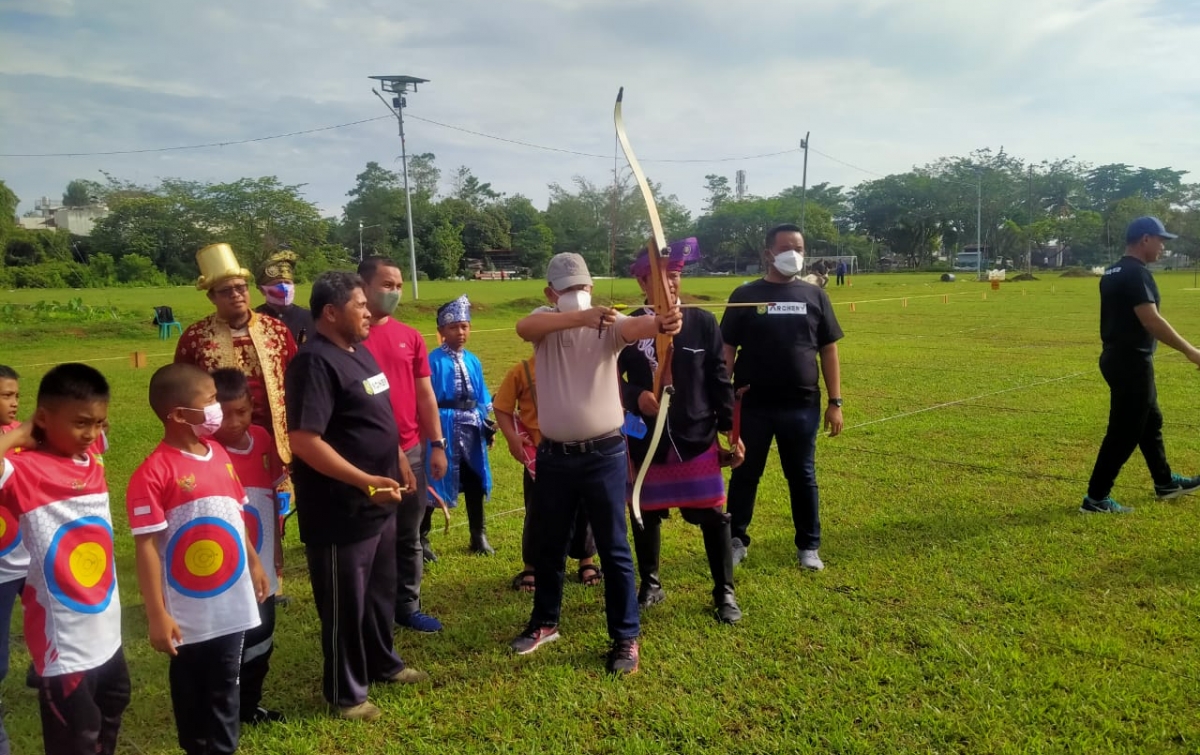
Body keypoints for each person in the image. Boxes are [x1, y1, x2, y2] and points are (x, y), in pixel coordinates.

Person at [509, 252, 681, 676]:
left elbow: (636, 326)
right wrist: (579, 318)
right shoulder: (544, 323)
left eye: (584, 287)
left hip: (603, 454)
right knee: (548, 544)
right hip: (554, 456)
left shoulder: (608, 325)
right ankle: (545, 622)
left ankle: (626, 637)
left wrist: (662, 322)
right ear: (551, 294)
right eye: (569, 289)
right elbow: (523, 327)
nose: (579, 295)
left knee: (614, 547)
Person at [285, 271, 426, 722]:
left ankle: (382, 662)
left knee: (379, 593)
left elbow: (377, 417)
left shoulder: (358, 353)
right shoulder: (315, 362)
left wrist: (399, 462)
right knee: (345, 603)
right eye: (359, 305)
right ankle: (344, 695)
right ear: (330, 312)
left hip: (381, 501)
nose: (370, 311)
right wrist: (363, 479)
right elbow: (305, 440)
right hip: (340, 509)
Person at [127, 363, 269, 755]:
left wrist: (254, 562)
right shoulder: (153, 473)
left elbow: (235, 513)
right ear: (177, 415)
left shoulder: (219, 453)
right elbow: (147, 548)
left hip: (233, 604)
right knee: (192, 694)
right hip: (189, 614)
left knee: (227, 685)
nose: (217, 411)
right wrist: (157, 614)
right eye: (209, 402)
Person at [0, 364, 130, 755]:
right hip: (65, 643)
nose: (91, 434)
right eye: (81, 423)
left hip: (107, 628)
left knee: (113, 704)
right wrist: (21, 434)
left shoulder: (90, 460)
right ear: (42, 417)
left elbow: (93, 436)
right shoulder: (22, 470)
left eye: (99, 423)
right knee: (79, 734)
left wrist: (82, 430)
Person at [619, 240, 745, 624]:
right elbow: (606, 378)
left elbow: (719, 379)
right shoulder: (628, 326)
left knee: (713, 515)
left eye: (674, 275)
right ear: (642, 283)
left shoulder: (704, 322)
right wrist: (636, 395)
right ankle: (651, 583)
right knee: (645, 514)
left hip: (696, 436)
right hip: (646, 439)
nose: (670, 284)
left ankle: (724, 591)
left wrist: (728, 429)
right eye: (659, 277)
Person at [721, 223, 844, 571]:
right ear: (768, 253)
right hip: (752, 405)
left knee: (802, 476)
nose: (795, 254)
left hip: (801, 405)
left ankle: (809, 546)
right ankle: (735, 540)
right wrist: (722, 400)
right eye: (787, 247)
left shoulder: (815, 296)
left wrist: (836, 403)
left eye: (800, 248)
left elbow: (829, 351)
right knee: (745, 473)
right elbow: (727, 350)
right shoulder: (745, 294)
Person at [1082, 216, 1200, 513]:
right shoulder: (1136, 274)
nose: (1163, 247)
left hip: (1116, 358)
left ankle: (1165, 483)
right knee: (1124, 432)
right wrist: (1190, 351)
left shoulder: (1112, 271)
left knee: (1150, 422)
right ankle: (1095, 499)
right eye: (1161, 240)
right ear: (1145, 239)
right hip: (1131, 362)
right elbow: (1151, 320)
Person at [358, 256, 447, 634]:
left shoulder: (409, 336)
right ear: (362, 286)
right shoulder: (349, 338)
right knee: (369, 538)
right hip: (363, 455)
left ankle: (408, 604)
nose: (394, 292)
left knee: (408, 535)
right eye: (386, 284)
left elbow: (425, 394)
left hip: (411, 449)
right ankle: (367, 609)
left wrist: (437, 444)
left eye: (398, 285)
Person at [175, 242, 297, 466]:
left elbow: (297, 382)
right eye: (226, 291)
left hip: (277, 438)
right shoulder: (195, 338)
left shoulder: (277, 330)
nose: (236, 295)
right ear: (211, 297)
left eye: (241, 288)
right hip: (219, 440)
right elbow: (182, 395)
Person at [211, 368, 286, 725]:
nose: (234, 422)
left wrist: (276, 553)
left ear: (253, 407)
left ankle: (249, 705)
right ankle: (224, 710)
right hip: (228, 568)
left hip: (264, 564)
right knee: (229, 645)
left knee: (262, 635)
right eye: (225, 414)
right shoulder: (208, 453)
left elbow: (274, 490)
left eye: (241, 412)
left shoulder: (262, 438)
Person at [493, 350, 602, 593]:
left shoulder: (577, 365)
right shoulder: (521, 370)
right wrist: (512, 438)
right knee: (538, 511)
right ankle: (531, 566)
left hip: (578, 448)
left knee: (584, 507)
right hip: (541, 455)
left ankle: (586, 560)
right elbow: (501, 405)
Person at [428, 295, 496, 555]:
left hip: (472, 428)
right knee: (435, 480)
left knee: (475, 479)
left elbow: (481, 397)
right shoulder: (433, 361)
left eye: (464, 326)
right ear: (442, 331)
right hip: (443, 426)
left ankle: (478, 535)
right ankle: (422, 538)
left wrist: (487, 425)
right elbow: (426, 399)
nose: (460, 332)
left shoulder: (473, 360)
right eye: (454, 326)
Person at [0, 365, 23, 755]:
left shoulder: (18, 436)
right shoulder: (17, 436)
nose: (14, 402)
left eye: (17, 394)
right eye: (6, 396)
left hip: (33, 559)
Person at [255, 247, 314, 346]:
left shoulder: (311, 318)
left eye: (287, 283)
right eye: (276, 284)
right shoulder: (254, 319)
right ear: (262, 290)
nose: (283, 287)